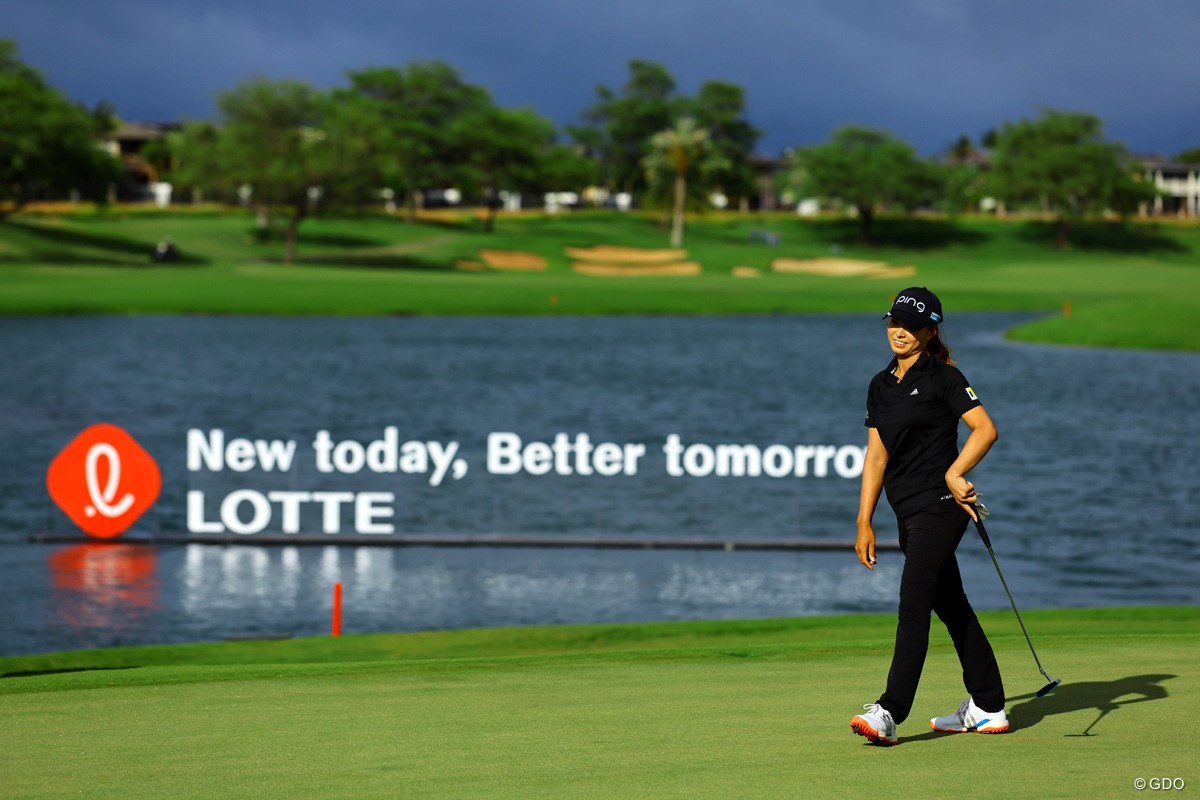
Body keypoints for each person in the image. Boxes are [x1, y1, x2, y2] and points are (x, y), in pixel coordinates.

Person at [849, 287, 1007, 746]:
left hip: (941, 508)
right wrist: (864, 521)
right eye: (895, 322)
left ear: (930, 330)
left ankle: (889, 712)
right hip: (906, 510)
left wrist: (957, 472)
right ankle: (988, 705)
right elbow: (875, 457)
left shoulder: (945, 377)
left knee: (913, 604)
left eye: (912, 326)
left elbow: (985, 429)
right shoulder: (880, 385)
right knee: (949, 604)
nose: (900, 331)